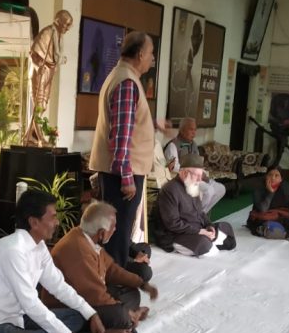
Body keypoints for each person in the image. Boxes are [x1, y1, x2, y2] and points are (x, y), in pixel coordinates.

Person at [0, 190, 105, 333]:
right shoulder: (13, 250)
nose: (57, 222)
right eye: (53, 217)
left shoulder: (39, 247)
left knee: (77, 316)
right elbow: (31, 303)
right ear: (34, 222)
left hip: (21, 317)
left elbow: (58, 286)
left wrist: (91, 313)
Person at [89, 31, 161, 268]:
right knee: (117, 232)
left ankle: (114, 274)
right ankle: (114, 281)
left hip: (120, 172)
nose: (152, 59)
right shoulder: (127, 82)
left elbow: (128, 123)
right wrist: (126, 177)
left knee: (117, 232)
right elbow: (121, 135)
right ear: (140, 54)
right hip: (122, 175)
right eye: (151, 53)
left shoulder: (122, 77)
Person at [42, 202, 159, 333]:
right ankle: (112, 326)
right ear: (102, 233)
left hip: (88, 296)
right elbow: (95, 294)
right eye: (113, 227)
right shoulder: (79, 250)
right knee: (120, 316)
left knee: (132, 294)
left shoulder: (86, 237)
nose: (115, 229)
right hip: (67, 308)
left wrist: (141, 284)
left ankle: (125, 317)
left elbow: (111, 269)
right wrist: (127, 313)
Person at [155, 154, 237, 257]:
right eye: (197, 175)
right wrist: (200, 231)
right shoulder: (170, 190)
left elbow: (200, 212)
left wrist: (209, 226)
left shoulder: (192, 186)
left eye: (201, 175)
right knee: (204, 243)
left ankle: (210, 241)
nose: (199, 179)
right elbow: (173, 224)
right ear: (184, 173)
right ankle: (210, 242)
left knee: (227, 228)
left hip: (197, 229)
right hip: (175, 235)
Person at [24, 10, 73, 146]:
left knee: (43, 106)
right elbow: (33, 53)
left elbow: (55, 57)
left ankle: (29, 136)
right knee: (39, 106)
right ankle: (40, 138)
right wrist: (38, 66)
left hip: (50, 71)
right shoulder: (47, 32)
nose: (68, 28)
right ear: (58, 21)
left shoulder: (59, 36)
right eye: (66, 24)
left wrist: (59, 61)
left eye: (69, 25)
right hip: (40, 71)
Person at [163, 117, 226, 213]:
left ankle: (200, 214)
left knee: (221, 188)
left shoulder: (193, 145)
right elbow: (173, 167)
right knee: (208, 191)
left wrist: (202, 173)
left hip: (196, 177)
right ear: (182, 130)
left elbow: (197, 164)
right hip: (182, 180)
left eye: (195, 130)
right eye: (191, 129)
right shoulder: (173, 145)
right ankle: (195, 216)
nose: (194, 133)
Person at [247, 167, 289, 240]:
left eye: (276, 175)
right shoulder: (258, 187)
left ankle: (279, 232)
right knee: (263, 222)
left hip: (279, 216)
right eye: (270, 175)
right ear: (266, 176)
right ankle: (283, 233)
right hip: (263, 217)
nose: (273, 178)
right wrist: (270, 192)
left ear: (281, 179)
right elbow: (263, 209)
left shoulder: (285, 188)